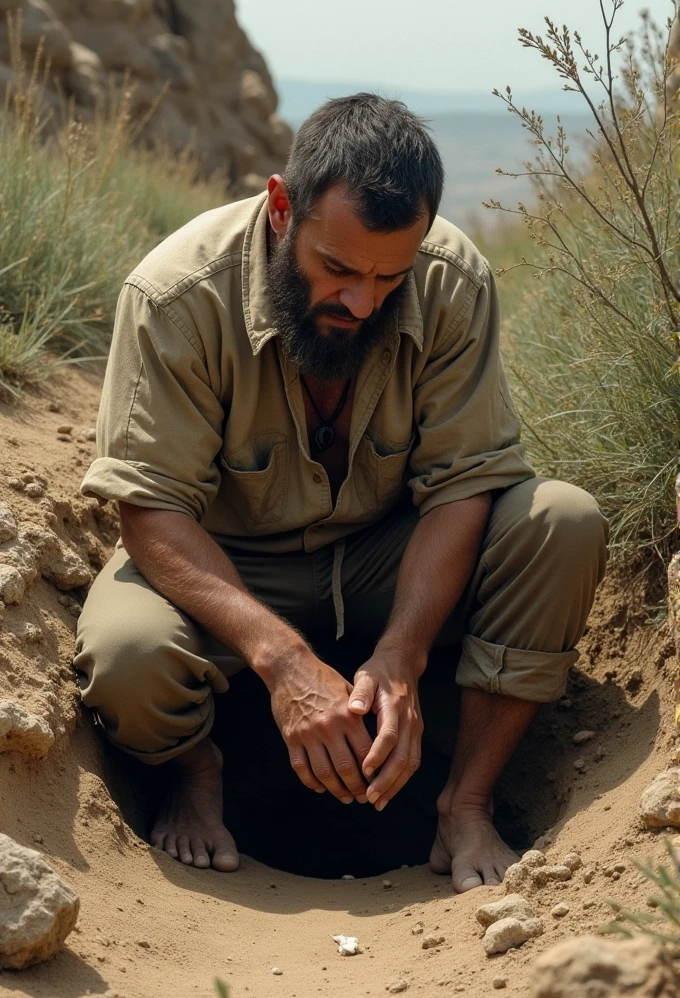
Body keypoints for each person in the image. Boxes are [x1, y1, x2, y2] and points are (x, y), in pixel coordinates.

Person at [74, 94, 607, 893]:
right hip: (230, 569)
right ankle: (195, 776)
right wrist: (285, 661)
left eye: (390, 277)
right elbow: (150, 513)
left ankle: (465, 803)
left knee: (561, 520)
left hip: (391, 559)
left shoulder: (451, 277)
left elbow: (465, 487)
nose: (364, 301)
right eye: (340, 270)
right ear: (282, 207)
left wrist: (403, 653)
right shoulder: (175, 296)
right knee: (129, 657)